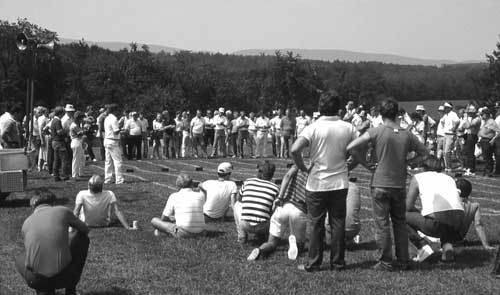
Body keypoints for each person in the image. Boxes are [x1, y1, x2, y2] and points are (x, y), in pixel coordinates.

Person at [347, 98, 428, 271]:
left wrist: (365, 163)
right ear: (397, 113)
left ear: (382, 114)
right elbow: (425, 153)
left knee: (382, 224)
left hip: (380, 183)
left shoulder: (376, 131)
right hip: (399, 184)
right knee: (399, 223)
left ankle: (385, 261)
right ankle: (403, 260)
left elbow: (352, 147)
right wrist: (408, 161)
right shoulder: (407, 134)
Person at [291, 90, 359, 272]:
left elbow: (295, 149)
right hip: (339, 183)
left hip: (316, 183)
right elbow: (361, 149)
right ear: (338, 107)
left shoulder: (313, 127)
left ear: (320, 107)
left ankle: (313, 263)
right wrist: (350, 166)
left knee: (315, 223)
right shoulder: (348, 127)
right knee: (338, 223)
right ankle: (338, 263)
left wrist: (304, 167)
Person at [15, 189, 90, 295]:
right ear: (53, 203)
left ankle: (43, 289)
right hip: (65, 276)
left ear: (33, 206)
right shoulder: (63, 211)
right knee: (83, 238)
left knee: (21, 258)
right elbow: (85, 230)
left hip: (36, 280)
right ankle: (70, 289)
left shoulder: (26, 223)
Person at [405, 156, 465, 263]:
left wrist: (418, 213)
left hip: (436, 224)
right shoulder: (448, 177)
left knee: (399, 215)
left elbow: (408, 206)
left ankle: (422, 247)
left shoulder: (418, 177)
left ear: (423, 167)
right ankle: (447, 246)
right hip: (458, 224)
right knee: (446, 216)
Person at [247, 165, 308, 261]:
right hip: (299, 209)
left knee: (271, 243)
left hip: (282, 207)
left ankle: (261, 250)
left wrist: (280, 197)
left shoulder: (297, 165)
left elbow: (287, 176)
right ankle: (294, 245)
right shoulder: (317, 170)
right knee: (300, 245)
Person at [233, 161, 279, 243]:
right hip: (264, 226)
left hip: (245, 224)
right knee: (276, 207)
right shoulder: (275, 188)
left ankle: (242, 236)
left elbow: (239, 198)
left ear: (260, 173)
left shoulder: (248, 181)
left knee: (237, 205)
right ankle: (267, 235)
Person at [151, 173, 206, 238]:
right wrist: (203, 189)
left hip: (183, 232)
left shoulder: (174, 196)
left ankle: (163, 232)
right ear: (192, 184)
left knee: (154, 220)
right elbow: (204, 196)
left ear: (178, 184)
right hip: (202, 233)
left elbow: (163, 218)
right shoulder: (200, 195)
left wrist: (172, 220)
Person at [325, 177, 361, 246]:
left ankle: (329, 240)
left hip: (332, 228)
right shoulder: (355, 187)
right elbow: (357, 208)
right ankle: (349, 241)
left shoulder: (332, 185)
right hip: (352, 229)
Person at [103, 104, 124, 184]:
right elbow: (115, 131)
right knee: (118, 161)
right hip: (113, 141)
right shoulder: (114, 119)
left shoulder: (107, 118)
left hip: (107, 140)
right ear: (115, 111)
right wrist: (121, 127)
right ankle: (119, 179)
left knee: (108, 161)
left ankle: (108, 179)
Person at [478, 108, 500, 176]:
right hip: (484, 140)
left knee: (488, 157)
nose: (481, 116)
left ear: (486, 114)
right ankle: (487, 170)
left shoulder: (491, 122)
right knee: (485, 156)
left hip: (488, 140)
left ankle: (489, 171)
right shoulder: (486, 122)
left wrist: (493, 139)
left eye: (482, 115)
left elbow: (498, 131)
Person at [51, 107, 70, 182]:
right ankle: (65, 175)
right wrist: (66, 130)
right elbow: (59, 131)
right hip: (59, 142)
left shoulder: (53, 120)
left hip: (54, 142)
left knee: (56, 160)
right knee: (64, 159)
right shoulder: (57, 121)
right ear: (60, 113)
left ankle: (56, 176)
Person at [462, 106, 481, 175]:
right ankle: (469, 168)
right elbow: (464, 126)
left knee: (470, 153)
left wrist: (466, 118)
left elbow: (468, 126)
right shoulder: (472, 119)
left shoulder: (477, 119)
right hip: (468, 135)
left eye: (470, 113)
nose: (469, 114)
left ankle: (471, 169)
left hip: (472, 136)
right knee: (467, 153)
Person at [441, 102, 460, 172]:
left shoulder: (453, 114)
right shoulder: (446, 115)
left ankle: (449, 166)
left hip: (450, 134)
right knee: (444, 152)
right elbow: (442, 121)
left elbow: (458, 121)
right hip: (445, 134)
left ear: (449, 108)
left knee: (447, 151)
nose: (445, 109)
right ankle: (447, 166)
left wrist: (454, 128)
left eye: (446, 107)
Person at [69, 111, 85, 179]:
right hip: (76, 141)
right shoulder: (74, 125)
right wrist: (84, 130)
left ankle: (80, 173)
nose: (82, 119)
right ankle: (74, 175)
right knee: (76, 159)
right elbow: (80, 133)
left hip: (78, 141)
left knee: (81, 158)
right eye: (81, 118)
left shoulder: (77, 124)